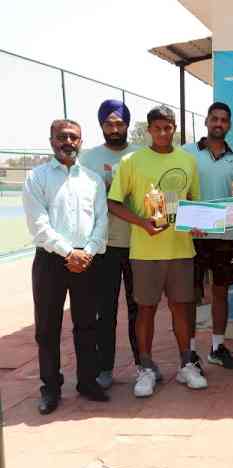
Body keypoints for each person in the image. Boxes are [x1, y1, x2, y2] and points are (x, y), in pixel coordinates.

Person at [108, 105, 206, 397]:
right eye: (157, 128)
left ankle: (186, 365)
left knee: (181, 308)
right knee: (146, 310)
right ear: (149, 129)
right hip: (145, 251)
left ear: (175, 128)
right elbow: (113, 203)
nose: (163, 133)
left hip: (181, 250)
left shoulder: (188, 161)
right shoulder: (131, 161)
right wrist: (142, 223)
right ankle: (146, 368)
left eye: (168, 127)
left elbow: (194, 203)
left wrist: (198, 224)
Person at [23, 119, 110, 414]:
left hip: (87, 261)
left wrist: (86, 252)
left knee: (87, 325)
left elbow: (102, 222)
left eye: (74, 137)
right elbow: (39, 225)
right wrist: (67, 253)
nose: (68, 142)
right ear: (52, 141)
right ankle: (51, 387)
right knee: (47, 328)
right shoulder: (37, 178)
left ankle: (87, 381)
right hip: (51, 261)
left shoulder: (92, 180)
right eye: (63, 137)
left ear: (81, 142)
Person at [79, 99, 142, 389]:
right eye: (109, 123)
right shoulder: (88, 159)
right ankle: (105, 368)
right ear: (101, 125)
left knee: (138, 308)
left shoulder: (141, 156)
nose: (114, 128)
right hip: (103, 246)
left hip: (139, 244)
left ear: (128, 125)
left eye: (120, 123)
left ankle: (143, 364)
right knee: (105, 310)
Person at [183, 102, 233, 371]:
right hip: (192, 235)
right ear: (206, 121)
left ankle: (217, 347)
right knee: (191, 294)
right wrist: (188, 220)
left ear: (229, 125)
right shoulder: (185, 152)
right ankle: (191, 351)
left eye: (224, 120)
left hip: (225, 235)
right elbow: (178, 191)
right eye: (214, 119)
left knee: (220, 292)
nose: (219, 124)